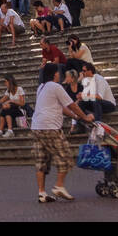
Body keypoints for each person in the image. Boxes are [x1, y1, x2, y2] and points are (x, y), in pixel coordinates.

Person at [31, 62, 92, 203]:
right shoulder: (56, 87)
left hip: (37, 127)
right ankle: (59, 186)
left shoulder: (41, 87)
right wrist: (85, 117)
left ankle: (41, 193)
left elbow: (62, 108)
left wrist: (75, 117)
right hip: (50, 127)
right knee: (65, 157)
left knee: (42, 160)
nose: (60, 75)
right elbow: (71, 105)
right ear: (55, 74)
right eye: (58, 72)